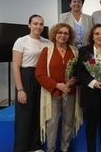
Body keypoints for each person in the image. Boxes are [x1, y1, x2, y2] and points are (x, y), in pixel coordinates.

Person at [35, 23, 83, 152]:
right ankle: (51, 149)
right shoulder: (47, 50)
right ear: (55, 34)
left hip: (70, 92)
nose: (63, 35)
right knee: (52, 124)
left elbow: (81, 71)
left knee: (68, 122)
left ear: (70, 36)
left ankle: (64, 149)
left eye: (66, 33)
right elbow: (40, 74)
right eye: (60, 32)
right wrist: (57, 85)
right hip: (53, 93)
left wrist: (76, 79)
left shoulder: (75, 51)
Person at [76, 24, 101, 152]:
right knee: (91, 124)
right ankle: (91, 149)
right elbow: (80, 71)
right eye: (97, 34)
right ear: (92, 36)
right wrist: (93, 82)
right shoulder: (84, 50)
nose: (100, 36)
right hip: (91, 91)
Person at [12, 14, 49, 152]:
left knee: (39, 114)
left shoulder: (47, 42)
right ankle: (20, 148)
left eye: (41, 24)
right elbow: (15, 66)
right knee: (24, 116)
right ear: (29, 25)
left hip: (42, 78)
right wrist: (20, 89)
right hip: (26, 77)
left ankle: (35, 146)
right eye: (35, 23)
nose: (38, 26)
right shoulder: (21, 41)